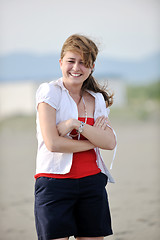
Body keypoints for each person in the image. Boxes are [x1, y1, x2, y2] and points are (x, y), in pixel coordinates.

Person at [34, 34, 117, 240]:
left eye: (84, 63)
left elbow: (110, 142)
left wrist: (74, 124)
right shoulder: (49, 92)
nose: (76, 68)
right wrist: (93, 140)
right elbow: (52, 143)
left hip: (92, 183)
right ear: (61, 62)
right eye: (71, 61)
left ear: (92, 67)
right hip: (54, 183)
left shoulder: (96, 99)